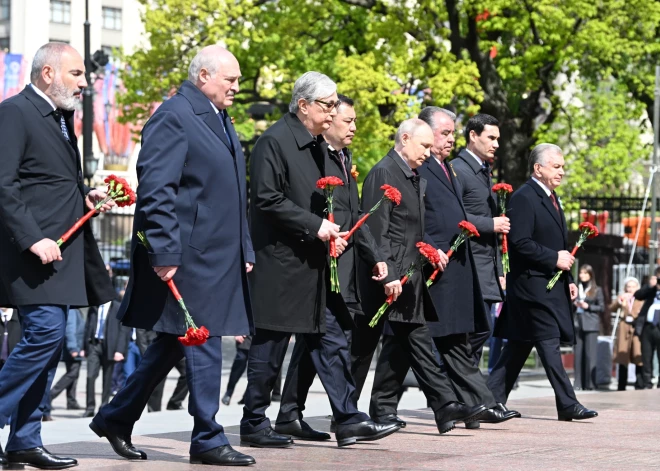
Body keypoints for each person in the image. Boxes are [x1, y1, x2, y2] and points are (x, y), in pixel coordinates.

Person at [90, 45, 256, 467]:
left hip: (216, 255)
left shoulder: (219, 117)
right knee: (203, 341)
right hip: (188, 256)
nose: (237, 86)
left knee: (172, 344)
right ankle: (208, 437)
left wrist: (245, 248)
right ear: (204, 76)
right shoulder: (174, 115)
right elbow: (157, 190)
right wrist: (164, 250)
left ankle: (115, 416)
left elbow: (235, 193)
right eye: (230, 79)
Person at [241, 72, 398, 449]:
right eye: (327, 105)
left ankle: (347, 419)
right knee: (270, 348)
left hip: (314, 266)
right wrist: (318, 227)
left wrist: (331, 235)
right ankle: (254, 421)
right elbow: (267, 199)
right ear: (304, 105)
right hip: (280, 266)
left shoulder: (315, 147)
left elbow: (324, 203)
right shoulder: (273, 142)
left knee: (332, 341)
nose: (332, 112)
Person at [0, 42, 116, 469]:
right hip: (32, 254)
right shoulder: (14, 112)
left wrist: (86, 195)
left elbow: (47, 182)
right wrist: (32, 239)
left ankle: (24, 441)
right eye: (76, 74)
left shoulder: (62, 117)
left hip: (62, 253)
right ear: (48, 73)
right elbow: (4, 185)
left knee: (50, 349)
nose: (85, 82)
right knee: (46, 335)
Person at [354, 119, 487, 435]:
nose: (430, 152)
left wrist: (427, 252)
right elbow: (376, 228)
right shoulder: (384, 173)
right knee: (360, 352)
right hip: (388, 279)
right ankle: (345, 410)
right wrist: (386, 271)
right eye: (425, 145)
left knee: (417, 342)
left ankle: (443, 405)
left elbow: (413, 229)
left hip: (408, 275)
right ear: (404, 139)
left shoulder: (411, 175)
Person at [273, 94, 387, 440]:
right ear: (328, 119)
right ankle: (347, 416)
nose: (354, 127)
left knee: (317, 342)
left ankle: (289, 414)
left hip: (343, 267)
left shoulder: (342, 158)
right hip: (317, 264)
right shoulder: (314, 156)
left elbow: (354, 217)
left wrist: (376, 256)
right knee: (332, 338)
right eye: (347, 120)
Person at [487, 143, 598, 421]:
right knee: (548, 339)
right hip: (530, 286)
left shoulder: (552, 197)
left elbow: (560, 245)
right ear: (538, 168)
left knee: (519, 345)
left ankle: (490, 400)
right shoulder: (525, 197)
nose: (562, 171)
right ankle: (568, 403)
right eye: (556, 166)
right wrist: (553, 260)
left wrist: (568, 278)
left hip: (547, 283)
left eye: (562, 166)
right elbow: (518, 242)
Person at [449, 114, 507, 363]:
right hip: (468, 267)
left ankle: (466, 395)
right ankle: (455, 391)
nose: (496, 144)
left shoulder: (484, 172)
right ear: (473, 136)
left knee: (482, 332)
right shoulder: (458, 170)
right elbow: (452, 215)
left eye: (498, 139)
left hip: (486, 271)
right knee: (473, 333)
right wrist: (490, 224)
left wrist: (500, 271)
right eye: (490, 138)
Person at [83, 297, 131, 417]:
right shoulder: (94, 306)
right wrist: (84, 346)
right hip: (94, 344)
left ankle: (104, 405)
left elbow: (124, 330)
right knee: (90, 376)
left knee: (107, 377)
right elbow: (88, 326)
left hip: (110, 347)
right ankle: (90, 407)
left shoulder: (117, 306)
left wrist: (120, 350)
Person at [572, 264, 605, 391]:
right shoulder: (576, 288)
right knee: (578, 354)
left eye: (585, 273)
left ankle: (590, 383)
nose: (582, 275)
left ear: (591, 275)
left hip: (591, 324)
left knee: (590, 355)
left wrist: (588, 306)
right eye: (581, 273)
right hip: (577, 323)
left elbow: (601, 307)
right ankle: (578, 382)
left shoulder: (597, 289)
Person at [47, 308, 85, 414]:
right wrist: (73, 348)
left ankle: (71, 401)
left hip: (76, 347)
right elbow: (70, 329)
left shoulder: (76, 310)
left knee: (74, 374)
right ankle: (49, 396)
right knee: (72, 373)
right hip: (73, 348)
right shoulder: (73, 310)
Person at [610, 277, 643, 390]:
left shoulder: (641, 298)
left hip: (636, 328)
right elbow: (611, 308)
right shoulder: (622, 298)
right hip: (624, 328)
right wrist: (620, 302)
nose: (631, 289)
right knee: (623, 357)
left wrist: (631, 311)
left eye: (633, 287)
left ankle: (639, 385)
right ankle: (621, 385)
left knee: (638, 356)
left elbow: (640, 312)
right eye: (629, 286)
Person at [633, 267, 660, 389]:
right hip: (648, 327)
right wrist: (651, 286)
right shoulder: (651, 291)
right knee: (646, 356)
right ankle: (647, 383)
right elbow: (637, 295)